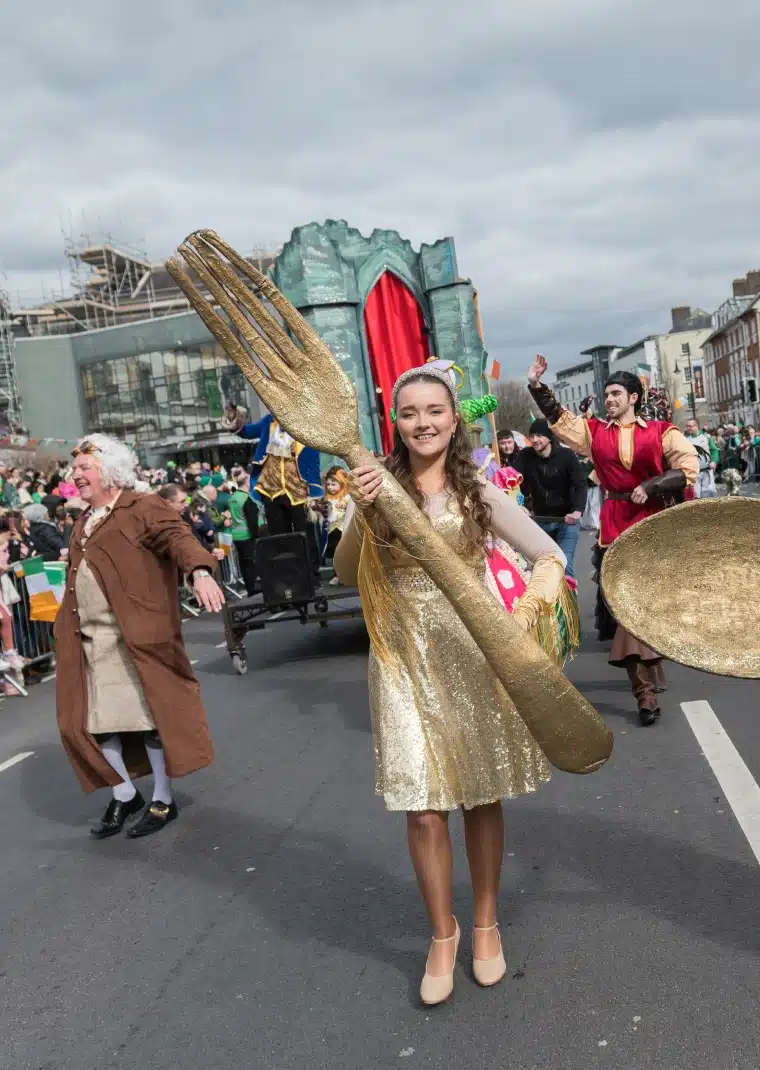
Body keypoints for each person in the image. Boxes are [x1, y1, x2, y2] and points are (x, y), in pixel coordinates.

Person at [333, 365, 567, 1005]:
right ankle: (444, 933)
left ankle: (485, 924)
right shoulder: (376, 489)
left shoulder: (479, 494)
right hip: (402, 658)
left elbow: (552, 554)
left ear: (452, 417)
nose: (423, 422)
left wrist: (531, 607)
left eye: (434, 410)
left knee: (481, 793)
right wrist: (362, 506)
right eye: (409, 413)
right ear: (396, 424)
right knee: (422, 802)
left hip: (472, 653)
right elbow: (348, 572)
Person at [55, 434, 225, 840]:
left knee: (149, 721)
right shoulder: (83, 521)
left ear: (109, 470)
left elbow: (179, 538)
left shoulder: (142, 506)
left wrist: (199, 572)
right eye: (73, 469)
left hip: (136, 638)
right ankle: (125, 792)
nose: (74, 476)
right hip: (88, 641)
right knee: (91, 723)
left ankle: (163, 798)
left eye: (84, 468)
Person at [527, 354, 697, 725]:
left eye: (617, 393)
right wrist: (539, 387)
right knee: (624, 608)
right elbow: (561, 422)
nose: (610, 399)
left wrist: (651, 484)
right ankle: (644, 693)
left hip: (653, 524)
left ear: (634, 397)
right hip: (615, 527)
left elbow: (688, 468)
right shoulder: (594, 433)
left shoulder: (662, 432)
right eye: (607, 394)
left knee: (651, 606)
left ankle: (652, 665)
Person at [237, 413, 322, 574]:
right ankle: (287, 575)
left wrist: (314, 492)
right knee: (279, 537)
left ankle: (311, 574)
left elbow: (313, 462)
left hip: (299, 491)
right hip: (271, 489)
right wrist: (234, 419)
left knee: (304, 535)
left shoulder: (305, 425)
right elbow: (247, 431)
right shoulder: (269, 422)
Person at [511, 419, 587, 578]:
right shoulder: (525, 455)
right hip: (539, 521)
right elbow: (513, 480)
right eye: (531, 436)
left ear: (549, 437)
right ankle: (550, 603)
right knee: (541, 571)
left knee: (564, 567)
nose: (534, 440)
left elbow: (580, 484)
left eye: (539, 435)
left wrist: (578, 511)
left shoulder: (566, 455)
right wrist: (519, 504)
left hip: (566, 521)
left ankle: (570, 602)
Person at [227, 470, 260, 597]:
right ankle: (254, 588)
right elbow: (252, 520)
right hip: (247, 534)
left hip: (236, 535)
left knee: (243, 564)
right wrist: (257, 535)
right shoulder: (246, 498)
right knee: (251, 563)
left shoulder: (232, 498)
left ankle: (249, 587)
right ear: (247, 483)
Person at [684, 418, 718, 498]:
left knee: (709, 491)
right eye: (687, 426)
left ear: (696, 426)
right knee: (696, 494)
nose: (688, 428)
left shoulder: (706, 437)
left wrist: (714, 461)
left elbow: (714, 450)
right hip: (694, 472)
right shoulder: (686, 439)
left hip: (707, 470)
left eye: (690, 426)